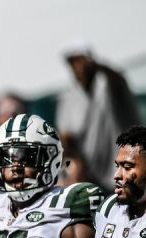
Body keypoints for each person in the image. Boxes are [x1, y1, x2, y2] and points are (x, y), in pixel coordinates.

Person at [56, 43, 140, 190]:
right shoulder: (68, 98)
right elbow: (65, 137)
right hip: (92, 180)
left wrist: (97, 66)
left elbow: (118, 78)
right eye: (73, 62)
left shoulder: (110, 85)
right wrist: (78, 164)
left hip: (129, 175)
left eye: (81, 61)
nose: (78, 67)